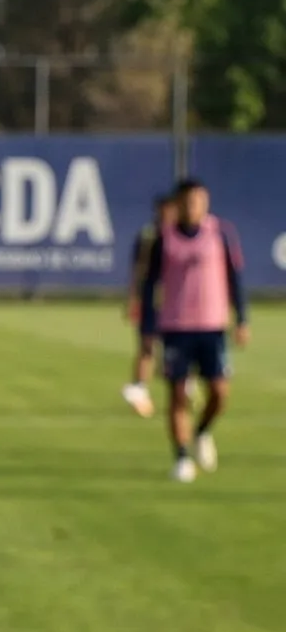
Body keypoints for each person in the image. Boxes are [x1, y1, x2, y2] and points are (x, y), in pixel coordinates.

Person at [139, 176, 247, 481]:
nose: (193, 207)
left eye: (199, 201)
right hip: (176, 326)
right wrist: (148, 329)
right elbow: (151, 285)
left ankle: (202, 432)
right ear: (179, 204)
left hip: (213, 325)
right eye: (188, 201)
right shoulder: (165, 238)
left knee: (219, 392)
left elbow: (235, 279)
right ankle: (182, 457)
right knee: (177, 395)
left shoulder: (220, 233)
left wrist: (242, 320)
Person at [120, 188, 177, 417]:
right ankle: (139, 387)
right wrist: (133, 297)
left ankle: (181, 386)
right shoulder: (149, 235)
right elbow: (139, 269)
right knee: (147, 344)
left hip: (177, 299)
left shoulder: (179, 234)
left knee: (173, 347)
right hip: (153, 298)